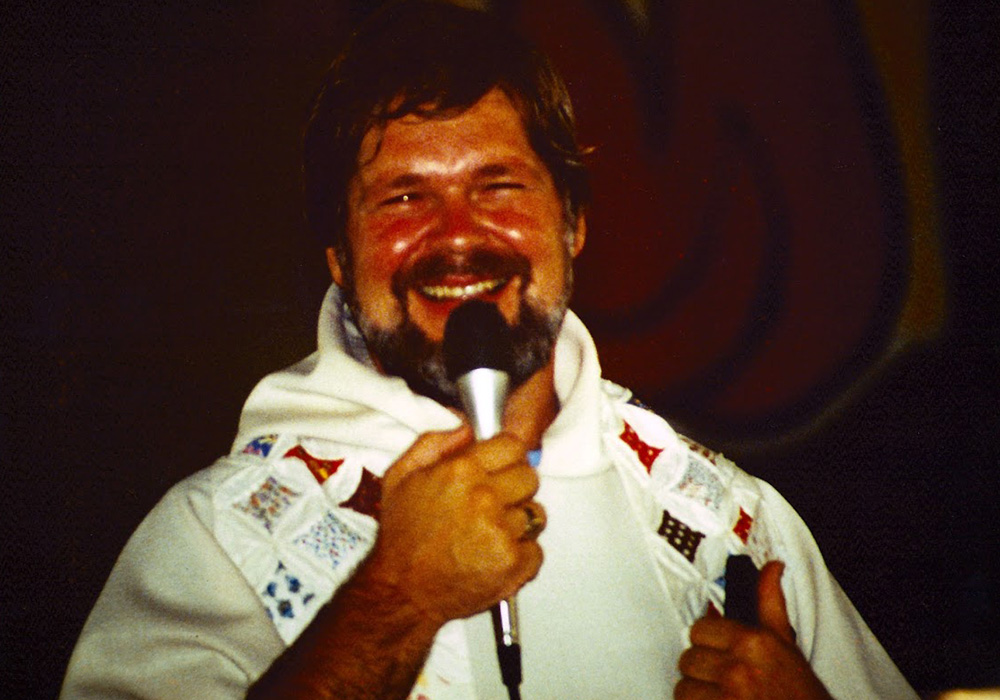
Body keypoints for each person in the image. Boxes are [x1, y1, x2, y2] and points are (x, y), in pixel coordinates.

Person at [61, 2, 918, 698]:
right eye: (403, 197)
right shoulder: (220, 536)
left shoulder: (729, 522)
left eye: (497, 186)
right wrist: (397, 598)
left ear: (574, 223)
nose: (456, 238)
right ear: (338, 256)